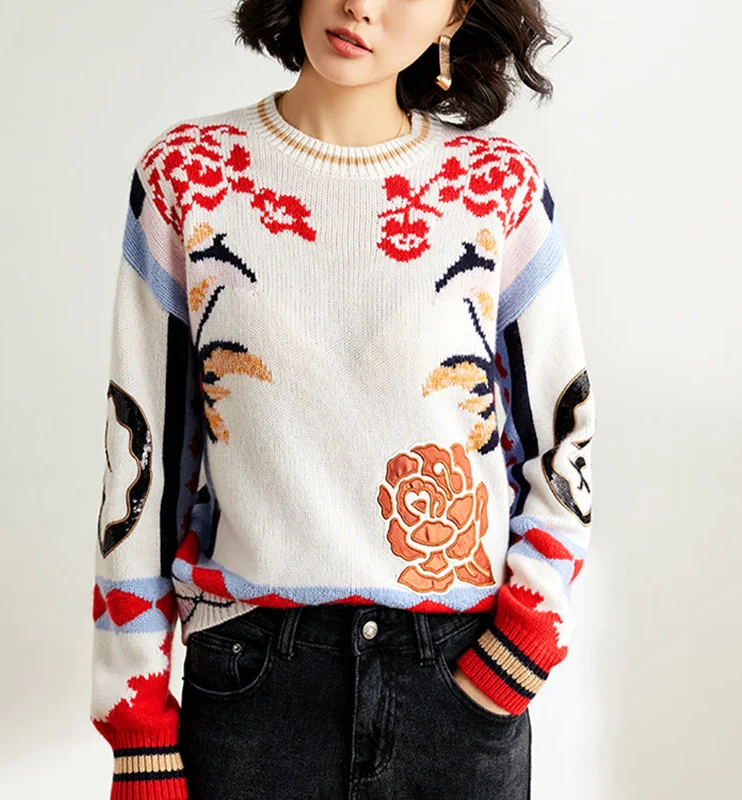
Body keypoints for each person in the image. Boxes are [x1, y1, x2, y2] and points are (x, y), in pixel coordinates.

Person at [89, 0, 596, 797]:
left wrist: (522, 646)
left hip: (457, 687)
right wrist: (137, 723)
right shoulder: (187, 175)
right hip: (251, 687)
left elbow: (560, 442)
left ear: (456, 15)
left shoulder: (499, 190)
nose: (362, 5)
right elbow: (141, 460)